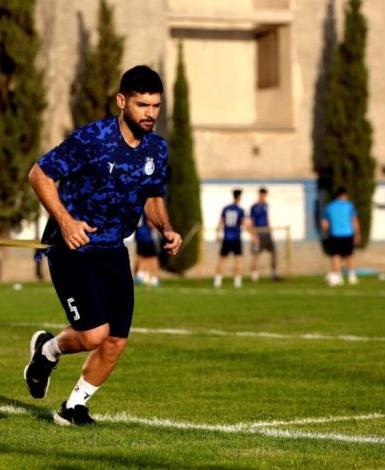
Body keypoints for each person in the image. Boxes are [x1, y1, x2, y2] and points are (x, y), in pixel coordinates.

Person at [24, 65, 181, 426]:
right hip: (71, 246)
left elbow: (153, 196)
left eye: (156, 106)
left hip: (113, 250)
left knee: (116, 341)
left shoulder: (156, 149)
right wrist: (65, 221)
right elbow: (40, 174)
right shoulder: (92, 139)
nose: (150, 114)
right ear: (122, 101)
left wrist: (166, 228)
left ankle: (74, 406)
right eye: (143, 105)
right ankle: (47, 350)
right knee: (94, 333)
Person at [321, 188, 360, 286]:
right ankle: (352, 277)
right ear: (344, 195)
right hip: (347, 233)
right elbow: (354, 220)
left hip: (334, 234)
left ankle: (338, 277)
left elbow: (324, 224)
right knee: (349, 255)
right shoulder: (349, 206)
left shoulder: (330, 207)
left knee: (335, 255)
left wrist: (327, 231)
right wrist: (357, 233)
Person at [213, 189, 249, 288]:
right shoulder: (240, 210)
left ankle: (217, 281)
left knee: (222, 260)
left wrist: (217, 234)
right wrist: (251, 231)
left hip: (227, 238)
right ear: (239, 197)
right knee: (238, 260)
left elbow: (220, 222)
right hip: (236, 238)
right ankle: (237, 281)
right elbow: (245, 223)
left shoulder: (226, 208)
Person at [249, 187, 278, 282]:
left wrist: (269, 229)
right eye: (262, 194)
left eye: (264, 195)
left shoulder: (266, 205)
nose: (263, 196)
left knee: (274, 252)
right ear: (259, 194)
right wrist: (253, 235)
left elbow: (267, 218)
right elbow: (252, 221)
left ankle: (273, 273)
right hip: (258, 234)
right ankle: (254, 275)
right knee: (256, 255)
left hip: (266, 234)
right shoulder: (254, 207)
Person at [134, 214, 161, 287]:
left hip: (144, 236)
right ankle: (146, 276)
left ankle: (150, 277)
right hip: (145, 236)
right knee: (148, 256)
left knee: (149, 256)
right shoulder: (145, 208)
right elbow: (150, 222)